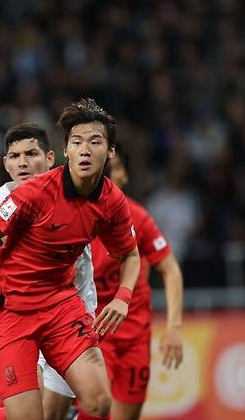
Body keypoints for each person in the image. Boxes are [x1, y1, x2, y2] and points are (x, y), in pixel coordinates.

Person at [0, 98, 141, 420]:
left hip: (63, 305)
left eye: (94, 142)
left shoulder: (112, 200)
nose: (85, 150)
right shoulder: (30, 195)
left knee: (99, 403)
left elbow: (131, 254)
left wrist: (123, 298)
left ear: (110, 151)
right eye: (77, 142)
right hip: (15, 311)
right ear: (67, 150)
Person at [0, 123, 97, 419]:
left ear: (49, 158)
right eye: (15, 156)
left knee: (56, 414)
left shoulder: (73, 189)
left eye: (31, 153)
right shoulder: (4, 200)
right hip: (24, 315)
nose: (23, 163)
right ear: (5, 164)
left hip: (72, 312)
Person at [91, 146, 184, 420]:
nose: (119, 176)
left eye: (119, 168)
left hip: (135, 336)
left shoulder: (138, 217)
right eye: (112, 169)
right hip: (94, 334)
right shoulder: (76, 217)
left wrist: (174, 327)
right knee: (95, 407)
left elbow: (171, 270)